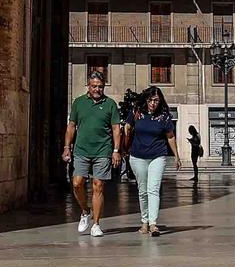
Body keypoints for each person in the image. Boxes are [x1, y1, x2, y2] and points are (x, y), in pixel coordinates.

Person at [62, 71, 121, 237]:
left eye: (100, 86)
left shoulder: (110, 104)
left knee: (98, 185)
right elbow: (71, 126)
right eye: (94, 86)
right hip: (81, 150)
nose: (97, 89)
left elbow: (116, 129)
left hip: (103, 150)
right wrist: (67, 147)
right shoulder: (78, 103)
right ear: (88, 86)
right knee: (76, 183)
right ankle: (85, 211)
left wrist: (116, 151)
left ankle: (96, 224)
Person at [128, 87, 180, 236]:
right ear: (146, 99)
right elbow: (127, 128)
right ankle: (144, 221)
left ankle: (153, 224)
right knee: (143, 191)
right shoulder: (136, 112)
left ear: (160, 101)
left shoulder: (164, 116)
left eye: (156, 100)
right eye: (150, 100)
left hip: (158, 155)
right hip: (137, 156)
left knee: (153, 189)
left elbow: (170, 136)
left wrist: (176, 155)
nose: (153, 103)